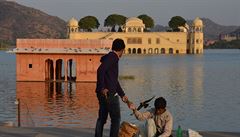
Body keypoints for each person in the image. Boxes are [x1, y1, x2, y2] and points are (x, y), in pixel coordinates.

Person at [95, 38, 129, 137]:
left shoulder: (109, 57)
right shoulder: (113, 57)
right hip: (109, 94)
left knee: (102, 118)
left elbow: (113, 80)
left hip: (103, 93)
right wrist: (102, 87)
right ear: (122, 50)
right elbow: (100, 70)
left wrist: (122, 94)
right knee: (116, 119)